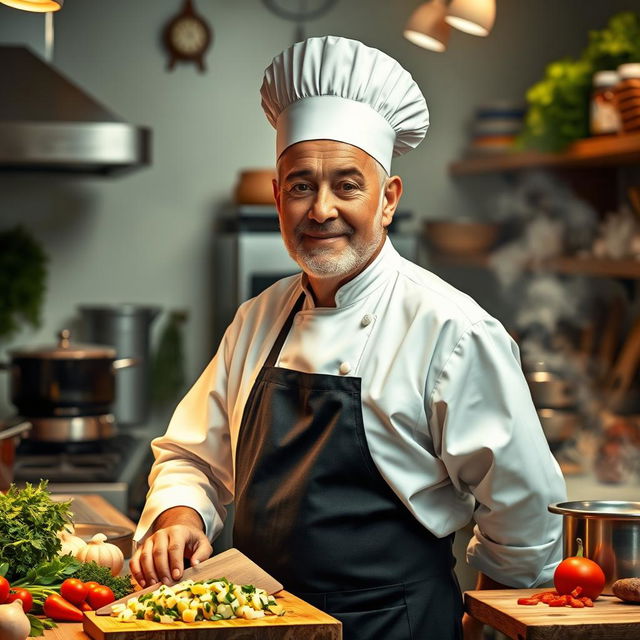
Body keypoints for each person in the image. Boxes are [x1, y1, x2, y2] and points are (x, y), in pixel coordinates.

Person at [131, 35, 567, 640]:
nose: (322, 209)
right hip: (263, 625)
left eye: (348, 185)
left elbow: (524, 521)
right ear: (279, 197)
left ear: (388, 199)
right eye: (302, 185)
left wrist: (492, 627)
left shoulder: (452, 329)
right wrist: (179, 516)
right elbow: (191, 456)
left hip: (397, 629)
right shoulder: (257, 317)